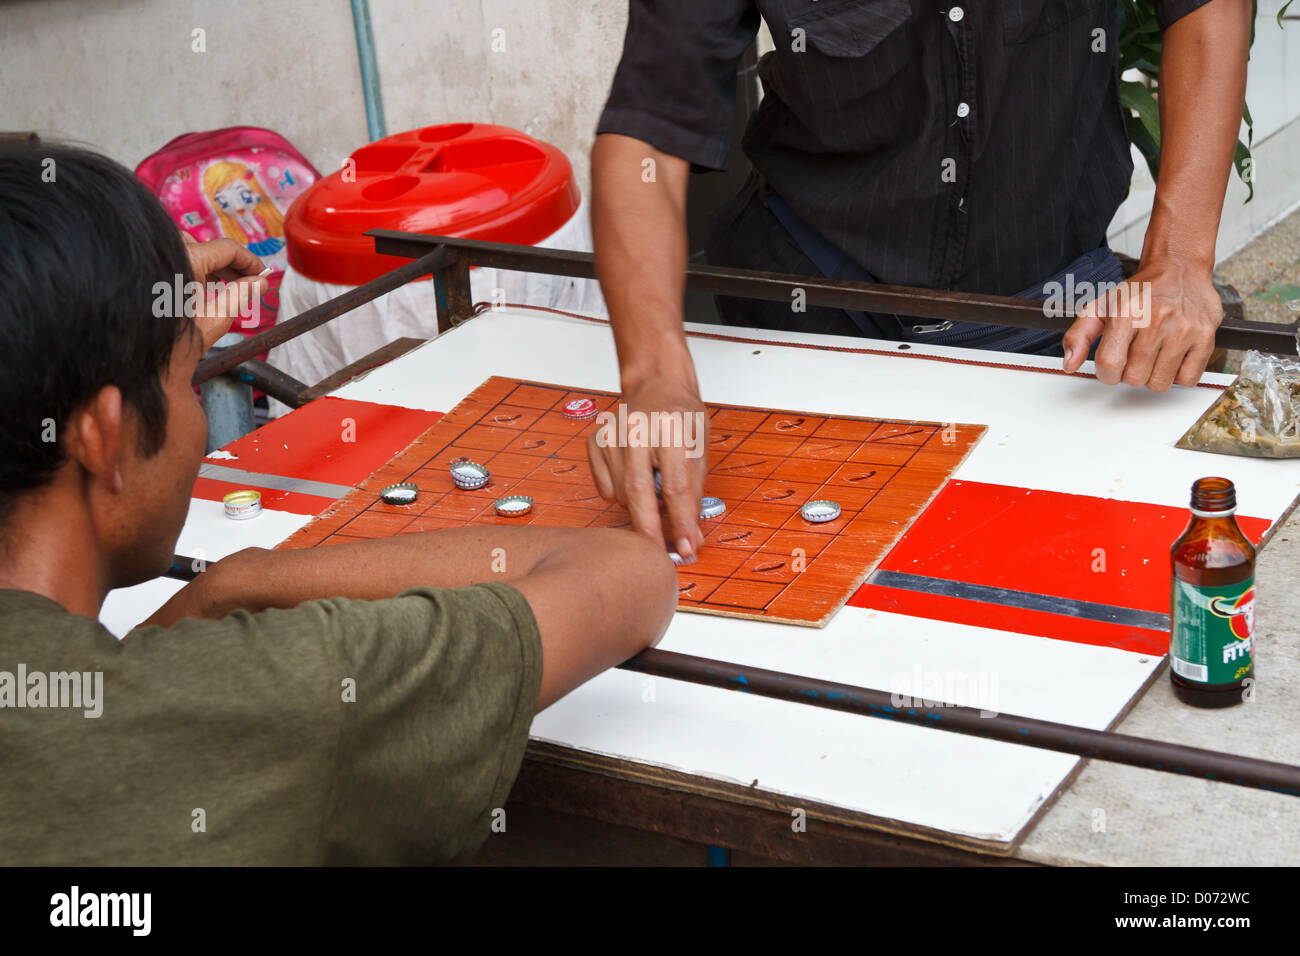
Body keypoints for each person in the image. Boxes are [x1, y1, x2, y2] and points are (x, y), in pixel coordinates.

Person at [0, 144, 678, 865]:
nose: (195, 413)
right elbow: (628, 575)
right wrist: (243, 579)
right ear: (105, 438)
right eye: (187, 379)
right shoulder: (278, 692)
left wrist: (117, 338)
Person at [586, 0, 1250, 562]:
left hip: (1056, 325)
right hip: (810, 312)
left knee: (1069, 597)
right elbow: (649, 126)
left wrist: (1182, 260)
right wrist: (655, 377)